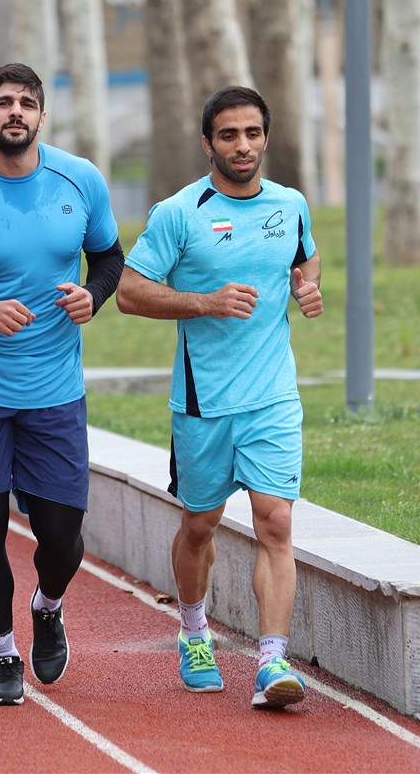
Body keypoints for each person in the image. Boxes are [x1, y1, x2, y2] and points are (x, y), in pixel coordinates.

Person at [115, 85, 323, 709]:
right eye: (228, 135)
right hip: (204, 404)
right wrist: (204, 302)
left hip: (273, 395)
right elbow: (129, 292)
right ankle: (194, 631)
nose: (242, 145)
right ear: (208, 144)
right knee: (199, 525)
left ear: (266, 137)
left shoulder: (290, 205)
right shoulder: (179, 213)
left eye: (252, 133)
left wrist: (305, 289)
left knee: (276, 523)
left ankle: (272, 661)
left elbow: (306, 261)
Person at [0, 63, 123, 706]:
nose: (16, 111)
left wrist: (94, 295)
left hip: (55, 389)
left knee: (62, 537)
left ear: (42, 115)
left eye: (27, 103)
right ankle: (2, 653)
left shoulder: (80, 179)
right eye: (3, 102)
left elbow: (109, 257)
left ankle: (48, 604)